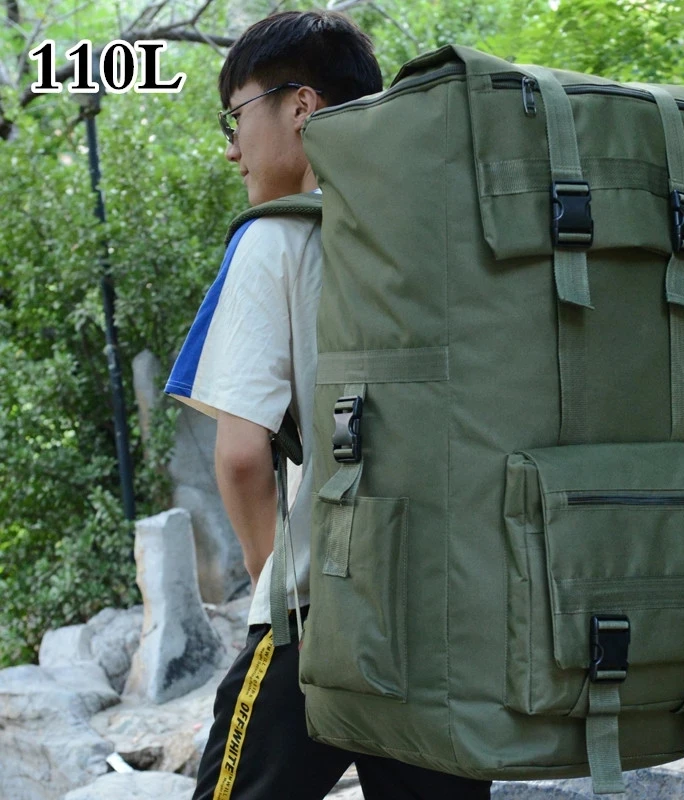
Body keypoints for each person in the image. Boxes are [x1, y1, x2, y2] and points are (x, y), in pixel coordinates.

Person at [165, 10, 492, 800]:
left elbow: (242, 457)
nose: (232, 147)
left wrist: (276, 591)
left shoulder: (274, 239)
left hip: (320, 609)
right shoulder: (446, 238)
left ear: (301, 107)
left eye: (237, 116)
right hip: (449, 613)